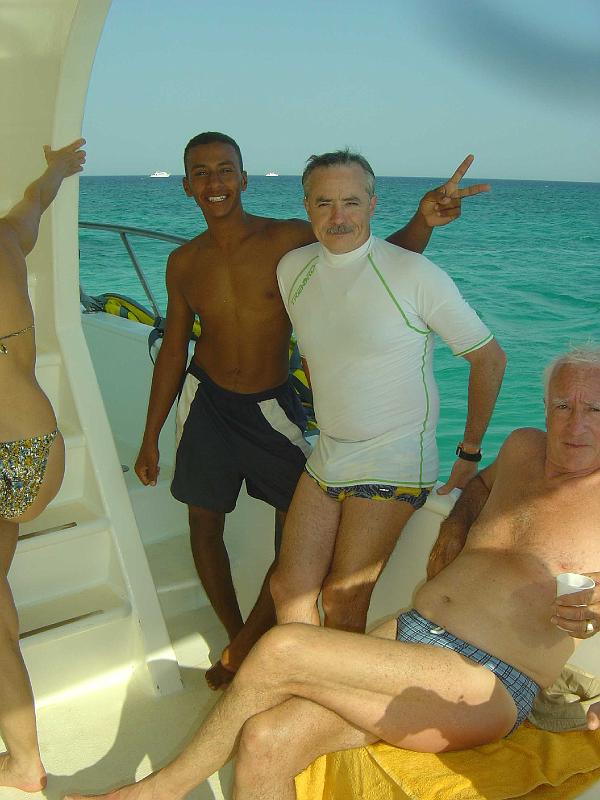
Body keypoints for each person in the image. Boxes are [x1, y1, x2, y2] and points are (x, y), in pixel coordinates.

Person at [66, 345, 600, 800]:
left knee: (284, 648)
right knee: (266, 740)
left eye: (594, 408)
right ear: (546, 406)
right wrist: (455, 527)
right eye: (563, 404)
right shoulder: (523, 447)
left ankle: (157, 791)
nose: (575, 423)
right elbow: (480, 486)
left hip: (485, 681)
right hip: (414, 634)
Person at [133, 132, 491, 689]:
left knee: (317, 574)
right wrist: (151, 434)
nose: (214, 182)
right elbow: (176, 348)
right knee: (219, 537)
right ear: (185, 186)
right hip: (228, 409)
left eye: (225, 169)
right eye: (200, 173)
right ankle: (248, 648)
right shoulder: (193, 262)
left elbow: (370, 261)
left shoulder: (287, 241)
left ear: (244, 178)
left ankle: (272, 662)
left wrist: (423, 223)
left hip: (285, 412)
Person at [271, 149, 506, 634]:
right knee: (287, 587)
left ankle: (331, 682)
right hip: (329, 450)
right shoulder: (293, 268)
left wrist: (469, 452)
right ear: (306, 205)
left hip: (395, 454)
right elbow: (322, 348)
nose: (338, 217)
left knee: (343, 596)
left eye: (352, 202)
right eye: (324, 203)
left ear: (373, 204)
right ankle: (304, 673)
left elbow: (489, 358)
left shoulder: (415, 274)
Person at [0, 139, 86, 792]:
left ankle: (25, 762)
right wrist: (57, 167)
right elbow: (36, 201)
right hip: (37, 451)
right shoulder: (6, 236)